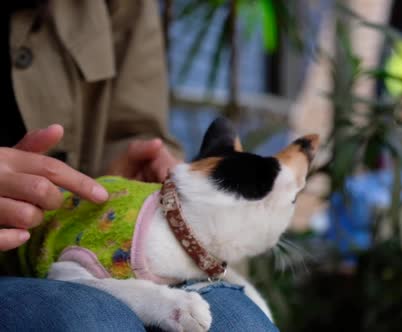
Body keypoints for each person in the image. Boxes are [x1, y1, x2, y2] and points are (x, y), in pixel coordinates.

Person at [1, 1, 277, 331]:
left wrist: (132, 177)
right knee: (88, 318)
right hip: (37, 271)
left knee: (239, 321)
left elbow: (137, 129)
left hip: (91, 239)